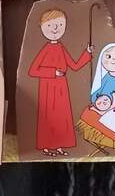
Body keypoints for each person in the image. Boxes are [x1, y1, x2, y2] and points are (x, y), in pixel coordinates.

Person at [28, 9, 93, 156]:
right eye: (50, 25)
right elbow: (33, 70)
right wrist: (53, 73)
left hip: (61, 88)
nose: (55, 29)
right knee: (48, 116)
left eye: (60, 25)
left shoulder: (61, 47)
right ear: (42, 27)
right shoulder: (46, 49)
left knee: (62, 116)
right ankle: (46, 147)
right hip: (47, 88)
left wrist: (87, 53)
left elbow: (74, 65)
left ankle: (59, 146)